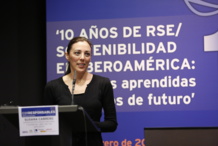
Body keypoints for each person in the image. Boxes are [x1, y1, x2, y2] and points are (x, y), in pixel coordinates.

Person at [43, 36, 118, 146]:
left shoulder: (103, 83)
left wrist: (87, 125)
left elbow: (112, 124)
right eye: (77, 53)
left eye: (87, 54)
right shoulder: (52, 87)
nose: (82, 58)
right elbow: (45, 123)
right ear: (67, 56)